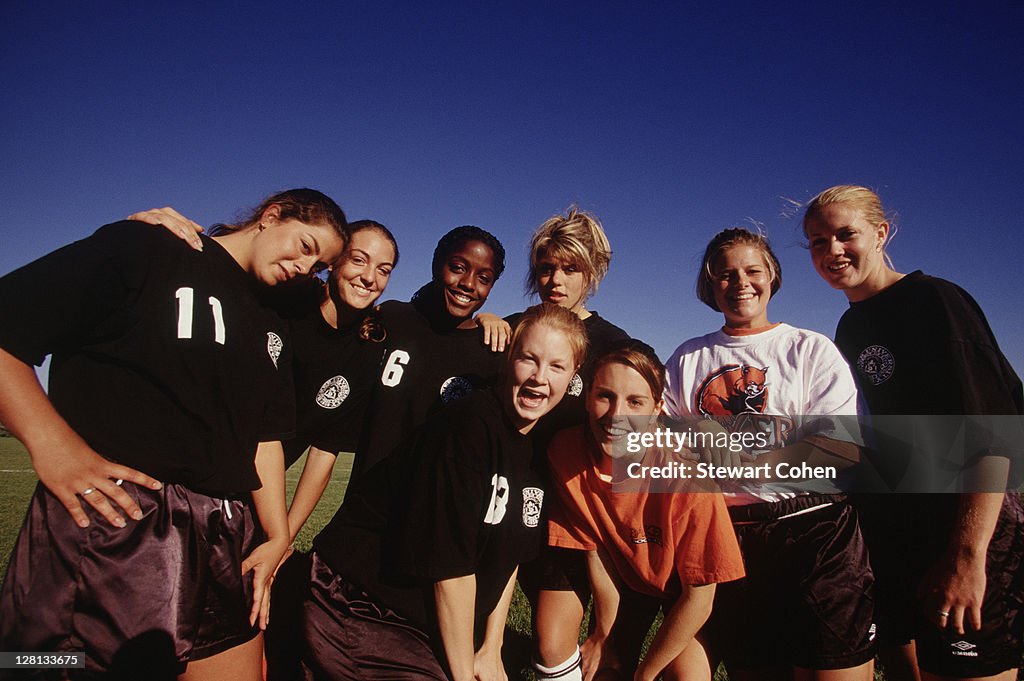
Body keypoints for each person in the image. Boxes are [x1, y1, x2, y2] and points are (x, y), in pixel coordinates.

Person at [0, 189, 347, 680]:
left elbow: (263, 436)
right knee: (42, 666)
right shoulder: (151, 247)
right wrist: (54, 447)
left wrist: (276, 536)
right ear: (272, 216)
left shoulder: (272, 314)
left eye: (320, 266)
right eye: (306, 245)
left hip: (227, 532)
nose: (305, 267)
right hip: (121, 523)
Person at [803, 185, 1024, 681]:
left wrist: (968, 557)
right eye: (818, 242)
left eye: (845, 234)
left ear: (881, 233)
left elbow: (994, 433)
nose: (832, 250)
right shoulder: (851, 325)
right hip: (894, 535)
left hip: (960, 530)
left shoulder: (934, 301)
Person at [302, 303, 589, 681]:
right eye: (528, 359)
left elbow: (509, 558)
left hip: (423, 619)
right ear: (509, 361)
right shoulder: (468, 427)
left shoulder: (535, 448)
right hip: (361, 601)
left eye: (556, 366)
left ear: (573, 376)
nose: (539, 377)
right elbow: (449, 570)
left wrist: (490, 649)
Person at [663, 227, 875, 681]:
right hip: (726, 531)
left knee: (832, 667)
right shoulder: (686, 357)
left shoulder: (810, 348)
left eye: (752, 270)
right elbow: (666, 445)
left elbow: (837, 448)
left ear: (772, 276)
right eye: (725, 274)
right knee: (755, 667)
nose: (740, 282)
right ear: (710, 284)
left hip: (814, 528)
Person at [483, 207, 629, 681]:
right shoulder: (510, 330)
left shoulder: (614, 346)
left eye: (571, 269)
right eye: (546, 268)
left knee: (551, 646)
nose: (555, 279)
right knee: (477, 629)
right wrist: (481, 321)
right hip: (504, 504)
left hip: (574, 516)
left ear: (594, 271)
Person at [547, 339, 745, 681]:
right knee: (603, 669)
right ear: (587, 396)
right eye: (605, 396)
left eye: (635, 402)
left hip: (687, 592)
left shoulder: (687, 477)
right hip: (631, 581)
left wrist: (646, 674)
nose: (615, 415)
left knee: (685, 677)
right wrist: (603, 635)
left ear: (656, 410)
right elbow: (597, 551)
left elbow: (699, 597)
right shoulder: (566, 452)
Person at [350, 224, 509, 480]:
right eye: (457, 268)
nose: (468, 284)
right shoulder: (390, 319)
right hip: (365, 503)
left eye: (484, 278)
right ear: (437, 264)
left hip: (435, 511)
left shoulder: (492, 351)